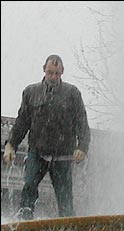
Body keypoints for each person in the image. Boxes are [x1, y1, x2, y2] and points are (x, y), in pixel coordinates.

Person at [3, 54, 91, 220]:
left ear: (62, 72)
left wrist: (82, 147)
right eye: (50, 72)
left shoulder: (72, 94)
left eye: (57, 73)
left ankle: (69, 226)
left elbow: (82, 122)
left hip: (63, 155)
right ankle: (25, 218)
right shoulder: (31, 92)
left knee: (65, 199)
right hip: (38, 152)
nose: (53, 77)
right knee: (29, 186)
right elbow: (22, 122)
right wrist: (11, 145)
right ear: (44, 69)